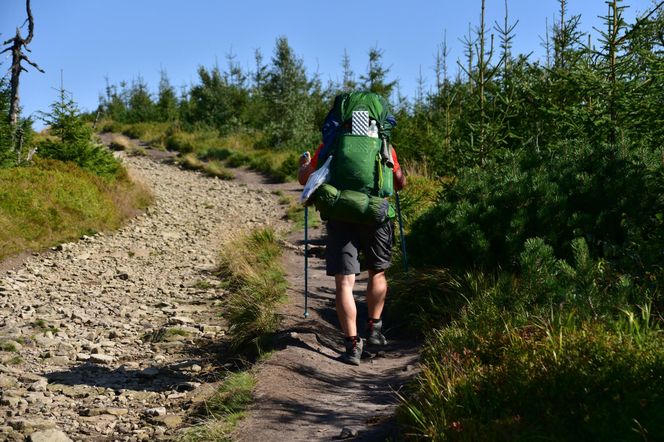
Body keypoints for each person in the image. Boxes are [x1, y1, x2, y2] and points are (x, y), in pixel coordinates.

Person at [298, 141, 406, 365]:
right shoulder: (384, 143)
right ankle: (374, 330)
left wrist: (304, 165)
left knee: (344, 282)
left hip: (341, 215)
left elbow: (305, 179)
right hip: (377, 214)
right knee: (377, 273)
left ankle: (352, 345)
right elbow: (399, 184)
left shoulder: (331, 143)